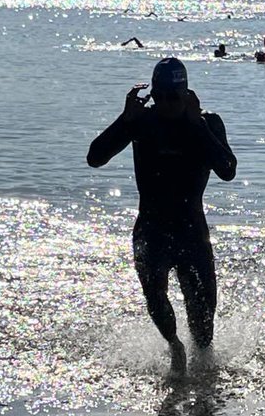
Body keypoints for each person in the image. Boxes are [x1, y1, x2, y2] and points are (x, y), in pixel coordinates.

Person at [87, 57, 237, 375]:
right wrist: (124, 120)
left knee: (203, 321)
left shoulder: (207, 123)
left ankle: (203, 375)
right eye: (161, 97)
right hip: (151, 229)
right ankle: (174, 346)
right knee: (155, 297)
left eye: (174, 97)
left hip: (191, 231)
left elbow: (227, 170)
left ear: (187, 94)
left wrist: (197, 126)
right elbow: (95, 157)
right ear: (153, 95)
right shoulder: (142, 122)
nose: (167, 104)